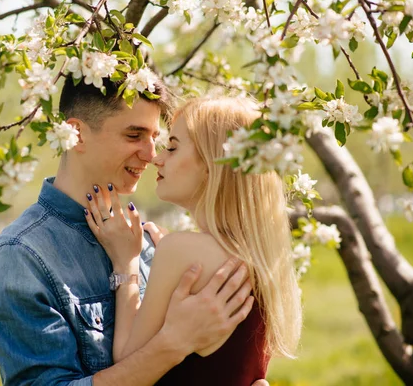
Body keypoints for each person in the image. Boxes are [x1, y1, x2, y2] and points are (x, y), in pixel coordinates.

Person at [0, 79, 269, 385]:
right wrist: (173, 343)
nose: (151, 154)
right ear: (76, 134)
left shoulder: (150, 243)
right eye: (134, 135)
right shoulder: (23, 254)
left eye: (158, 139)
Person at [84, 96, 303, 385]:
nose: (157, 158)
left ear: (213, 165)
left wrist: (127, 262)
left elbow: (127, 360)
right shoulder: (261, 258)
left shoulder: (182, 252)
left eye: (173, 147)